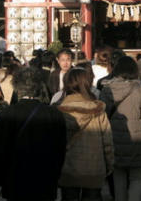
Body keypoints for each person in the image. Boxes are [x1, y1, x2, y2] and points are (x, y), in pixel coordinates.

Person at [0, 67, 67, 201]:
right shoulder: (54, 114)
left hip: (14, 179)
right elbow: (60, 151)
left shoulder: (6, 115)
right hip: (45, 179)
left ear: (17, 87)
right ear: (39, 86)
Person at [100, 56, 141, 201]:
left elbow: (102, 115)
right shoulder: (140, 90)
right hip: (136, 137)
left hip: (114, 138)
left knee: (118, 175)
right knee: (136, 176)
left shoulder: (107, 89)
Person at [57, 68, 114, 201]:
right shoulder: (98, 110)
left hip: (68, 168)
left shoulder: (59, 111)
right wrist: (109, 164)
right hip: (94, 167)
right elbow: (107, 142)